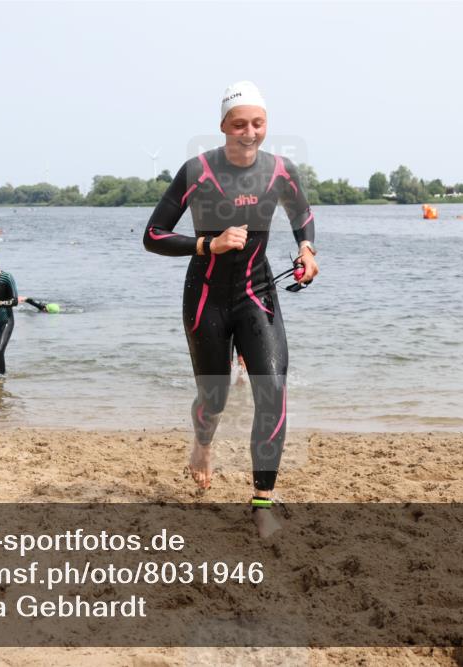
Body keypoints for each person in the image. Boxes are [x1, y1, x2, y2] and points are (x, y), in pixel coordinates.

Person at [143, 81, 319, 535]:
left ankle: (262, 501)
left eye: (258, 123)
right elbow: (154, 234)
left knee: (272, 389)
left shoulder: (281, 171)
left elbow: (302, 216)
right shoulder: (197, 170)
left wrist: (307, 251)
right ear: (223, 126)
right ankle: (202, 444)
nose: (249, 132)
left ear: (266, 125)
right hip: (206, 297)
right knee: (215, 397)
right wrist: (208, 243)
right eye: (239, 124)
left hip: (258, 293)